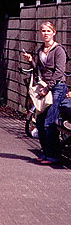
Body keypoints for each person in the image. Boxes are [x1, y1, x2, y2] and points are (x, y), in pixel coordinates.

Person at [22, 21, 68, 164]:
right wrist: (31, 62)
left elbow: (59, 72)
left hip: (57, 88)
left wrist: (47, 88)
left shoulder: (59, 50)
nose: (46, 33)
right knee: (40, 122)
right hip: (45, 88)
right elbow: (39, 71)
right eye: (43, 31)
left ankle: (55, 156)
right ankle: (46, 153)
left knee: (49, 121)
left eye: (49, 31)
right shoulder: (40, 50)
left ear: (54, 32)